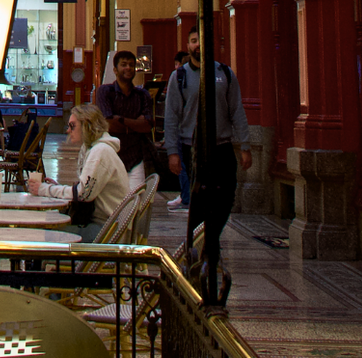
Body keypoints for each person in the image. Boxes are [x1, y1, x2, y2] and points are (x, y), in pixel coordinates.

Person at [163, 28, 248, 219]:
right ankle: (201, 243)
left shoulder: (225, 73)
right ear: (188, 46)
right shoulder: (178, 77)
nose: (198, 44)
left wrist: (245, 145)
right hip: (192, 148)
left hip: (222, 147)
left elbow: (237, 110)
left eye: (202, 40)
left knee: (226, 197)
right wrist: (172, 153)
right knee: (199, 200)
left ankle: (212, 239)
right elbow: (171, 117)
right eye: (194, 40)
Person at [30, 104, 133, 242]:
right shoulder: (93, 148)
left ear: (87, 125)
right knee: (46, 227)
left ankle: (39, 262)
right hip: (109, 226)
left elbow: (82, 194)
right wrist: (57, 187)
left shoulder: (100, 151)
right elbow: (84, 190)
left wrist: (45, 189)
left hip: (109, 233)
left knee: (42, 233)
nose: (68, 131)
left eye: (72, 126)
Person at [94, 49, 157, 171]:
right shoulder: (105, 92)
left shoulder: (143, 95)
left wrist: (121, 119)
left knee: (137, 190)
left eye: (131, 65)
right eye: (123, 65)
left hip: (137, 157)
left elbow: (147, 126)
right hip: (110, 155)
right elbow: (108, 124)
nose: (128, 68)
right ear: (115, 70)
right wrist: (135, 125)